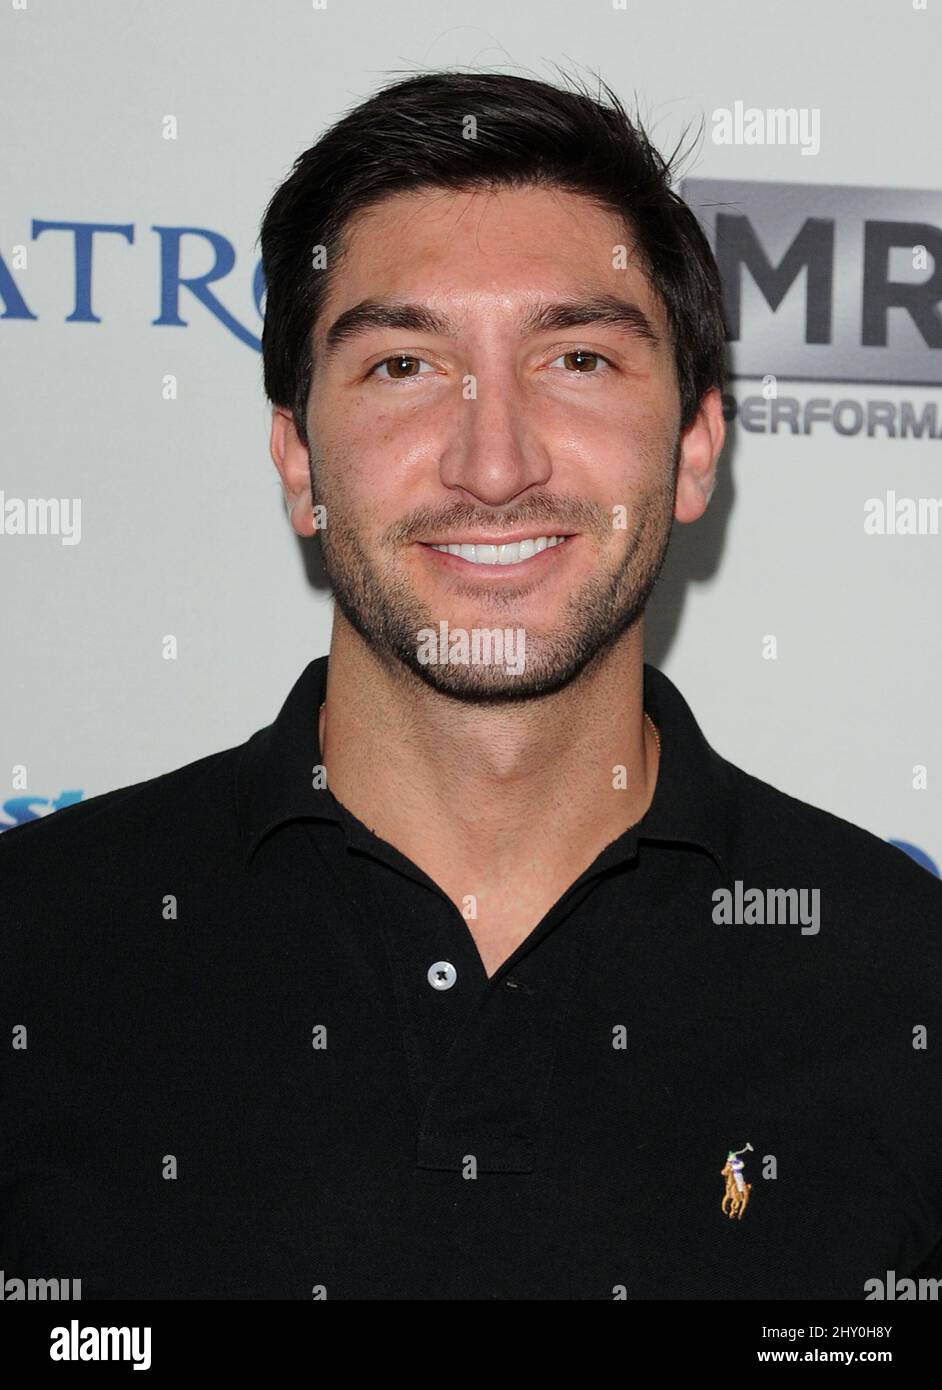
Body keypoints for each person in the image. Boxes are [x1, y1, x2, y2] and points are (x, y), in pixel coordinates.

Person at [3, 70, 941, 1301]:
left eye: (578, 358)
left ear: (697, 446)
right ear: (298, 464)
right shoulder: (35, 948)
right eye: (402, 364)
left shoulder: (903, 983)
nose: (493, 461)